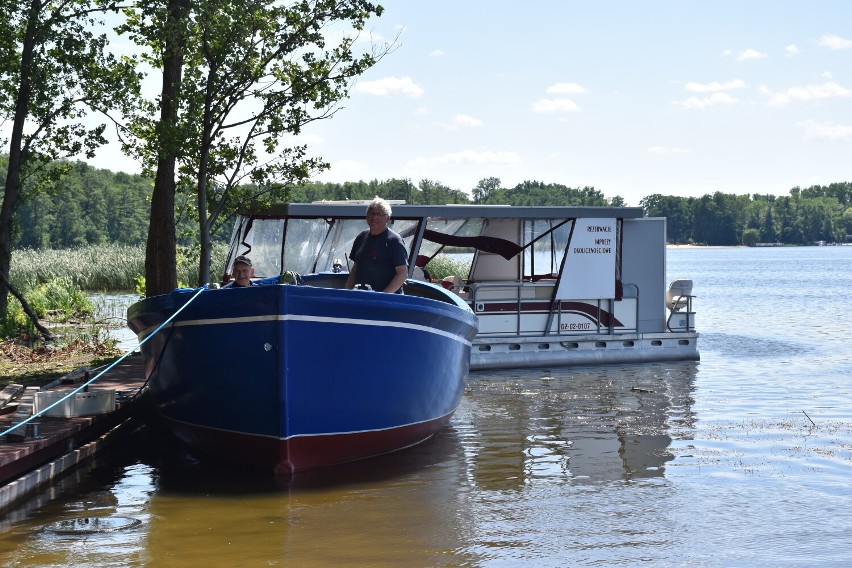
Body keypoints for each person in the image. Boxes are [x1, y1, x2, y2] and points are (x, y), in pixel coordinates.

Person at [345, 197, 408, 293]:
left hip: (388, 302)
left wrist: (383, 297)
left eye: (378, 214)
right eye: (371, 213)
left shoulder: (394, 240)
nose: (374, 217)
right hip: (362, 299)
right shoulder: (361, 237)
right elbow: (354, 270)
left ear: (387, 218)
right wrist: (347, 293)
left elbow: (402, 274)